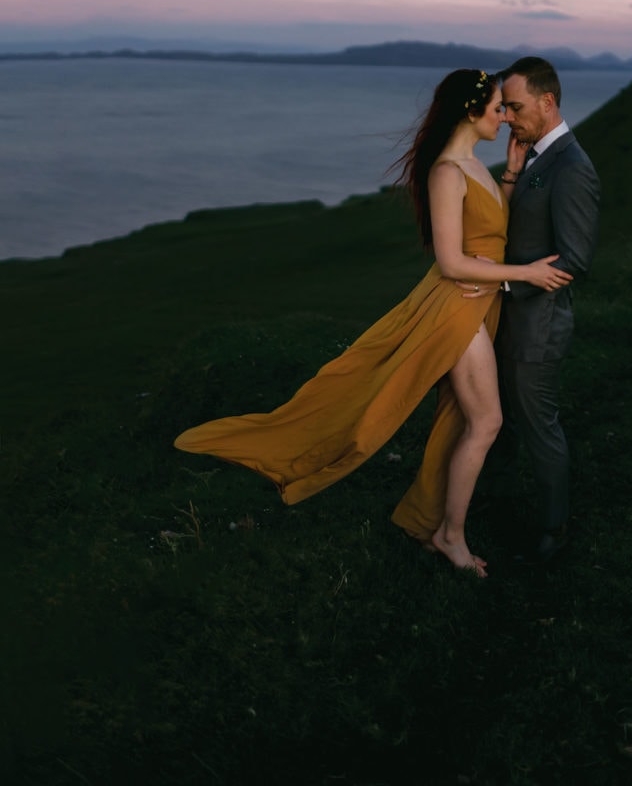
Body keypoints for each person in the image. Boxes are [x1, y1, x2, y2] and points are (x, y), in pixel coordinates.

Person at [174, 69, 572, 577]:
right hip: (457, 306)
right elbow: (452, 262)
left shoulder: (476, 166)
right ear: (471, 112)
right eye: (498, 107)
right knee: (484, 420)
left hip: (479, 301)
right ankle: (450, 535)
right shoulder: (447, 172)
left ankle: (432, 522)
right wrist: (527, 274)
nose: (505, 117)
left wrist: (511, 177)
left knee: (460, 418)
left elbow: (488, 232)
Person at [465, 56, 600, 563]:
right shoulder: (535, 157)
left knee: (539, 427)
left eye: (515, 107)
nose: (506, 118)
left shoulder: (572, 167)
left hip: (537, 327)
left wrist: (508, 285)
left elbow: (576, 259)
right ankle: (490, 503)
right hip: (510, 319)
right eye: (503, 108)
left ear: (548, 102)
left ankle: (554, 529)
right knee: (499, 419)